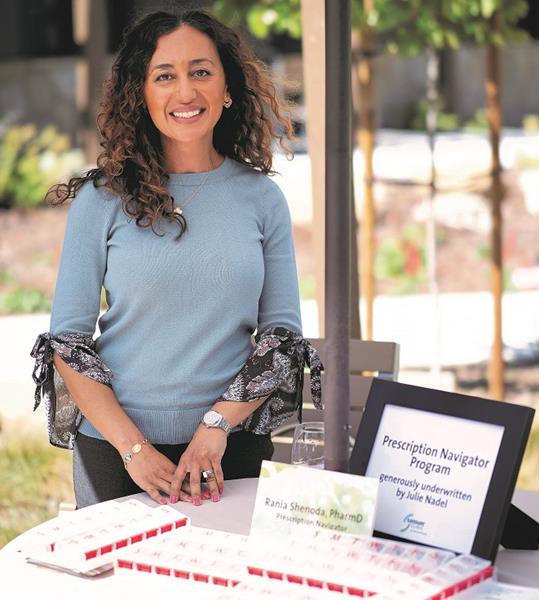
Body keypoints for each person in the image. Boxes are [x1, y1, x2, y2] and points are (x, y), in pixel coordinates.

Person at [30, 9, 322, 509]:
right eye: (165, 76)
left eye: (201, 72)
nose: (186, 92)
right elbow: (68, 343)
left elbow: (281, 339)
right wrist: (134, 449)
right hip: (117, 453)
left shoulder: (262, 199)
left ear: (227, 88)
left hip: (228, 446)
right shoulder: (102, 199)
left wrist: (215, 426)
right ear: (140, 94)